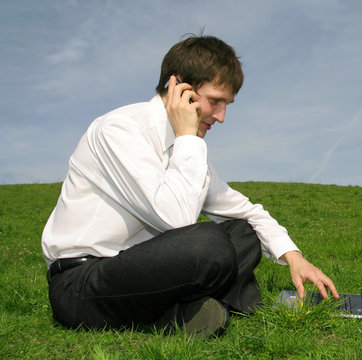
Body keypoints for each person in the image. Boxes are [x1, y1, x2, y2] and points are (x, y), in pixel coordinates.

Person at [41, 34, 338, 338]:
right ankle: (188, 310)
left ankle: (191, 313)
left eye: (227, 104)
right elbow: (177, 220)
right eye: (215, 101)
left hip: (142, 270)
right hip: (81, 285)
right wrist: (187, 137)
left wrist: (295, 257)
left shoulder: (187, 148)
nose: (221, 117)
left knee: (243, 231)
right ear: (179, 88)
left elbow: (247, 212)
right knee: (207, 241)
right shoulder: (120, 130)